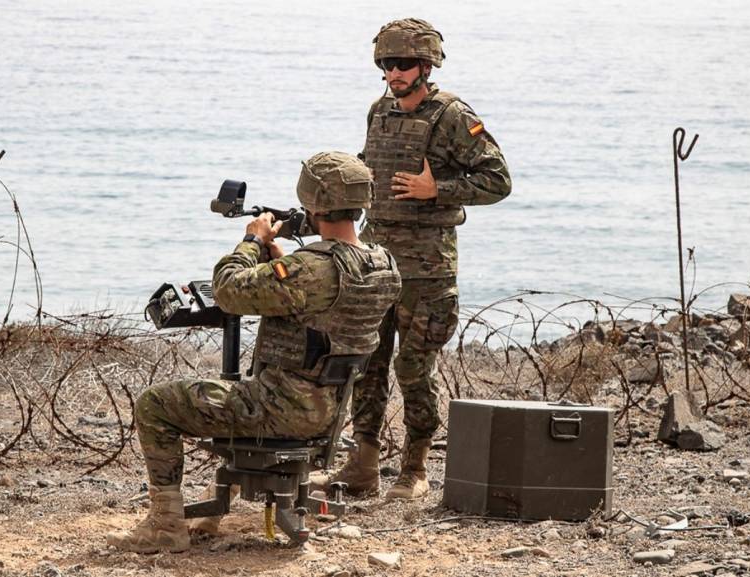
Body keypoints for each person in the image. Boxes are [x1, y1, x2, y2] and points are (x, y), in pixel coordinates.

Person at [107, 152, 401, 553]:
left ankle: (165, 525)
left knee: (154, 404)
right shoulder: (384, 265)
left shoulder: (309, 269)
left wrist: (252, 240)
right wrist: (284, 264)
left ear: (313, 203)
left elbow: (228, 288)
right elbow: (327, 305)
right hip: (329, 413)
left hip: (275, 409)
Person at [311, 18, 512, 500]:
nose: (393, 73)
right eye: (386, 64)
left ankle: (415, 468)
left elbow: (498, 181)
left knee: (414, 368)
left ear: (426, 65)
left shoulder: (454, 117)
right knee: (366, 363)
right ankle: (363, 464)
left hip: (428, 270)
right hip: (376, 261)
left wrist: (436, 189)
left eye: (403, 64)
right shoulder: (379, 112)